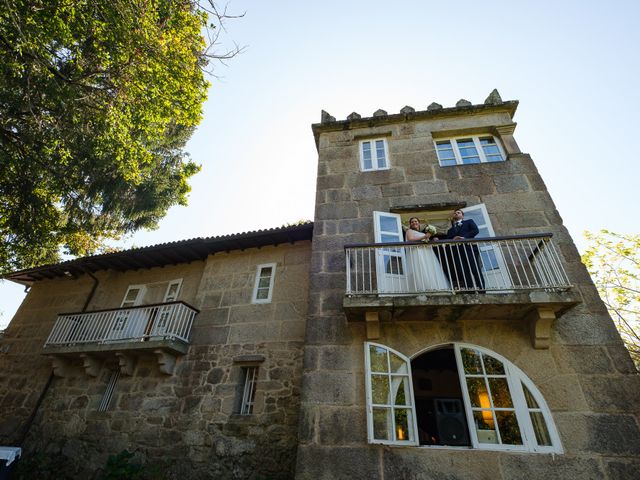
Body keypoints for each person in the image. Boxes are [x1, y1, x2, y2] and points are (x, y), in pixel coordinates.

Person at [442, 209, 485, 292]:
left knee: (475, 269)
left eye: (458, 212)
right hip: (457, 252)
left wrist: (464, 238)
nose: (456, 214)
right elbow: (448, 240)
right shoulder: (450, 230)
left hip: (469, 249)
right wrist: (452, 240)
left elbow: (475, 230)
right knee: (464, 273)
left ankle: (482, 290)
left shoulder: (469, 222)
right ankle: (471, 291)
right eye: (455, 213)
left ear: (462, 215)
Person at [405, 217, 450, 292]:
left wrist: (432, 240)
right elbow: (410, 239)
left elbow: (425, 241)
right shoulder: (409, 231)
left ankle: (435, 288)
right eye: (412, 222)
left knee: (429, 269)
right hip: (417, 252)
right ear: (410, 224)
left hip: (426, 252)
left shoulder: (422, 233)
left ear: (419, 223)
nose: (414, 223)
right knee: (420, 268)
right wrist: (425, 236)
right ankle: (423, 289)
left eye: (416, 221)